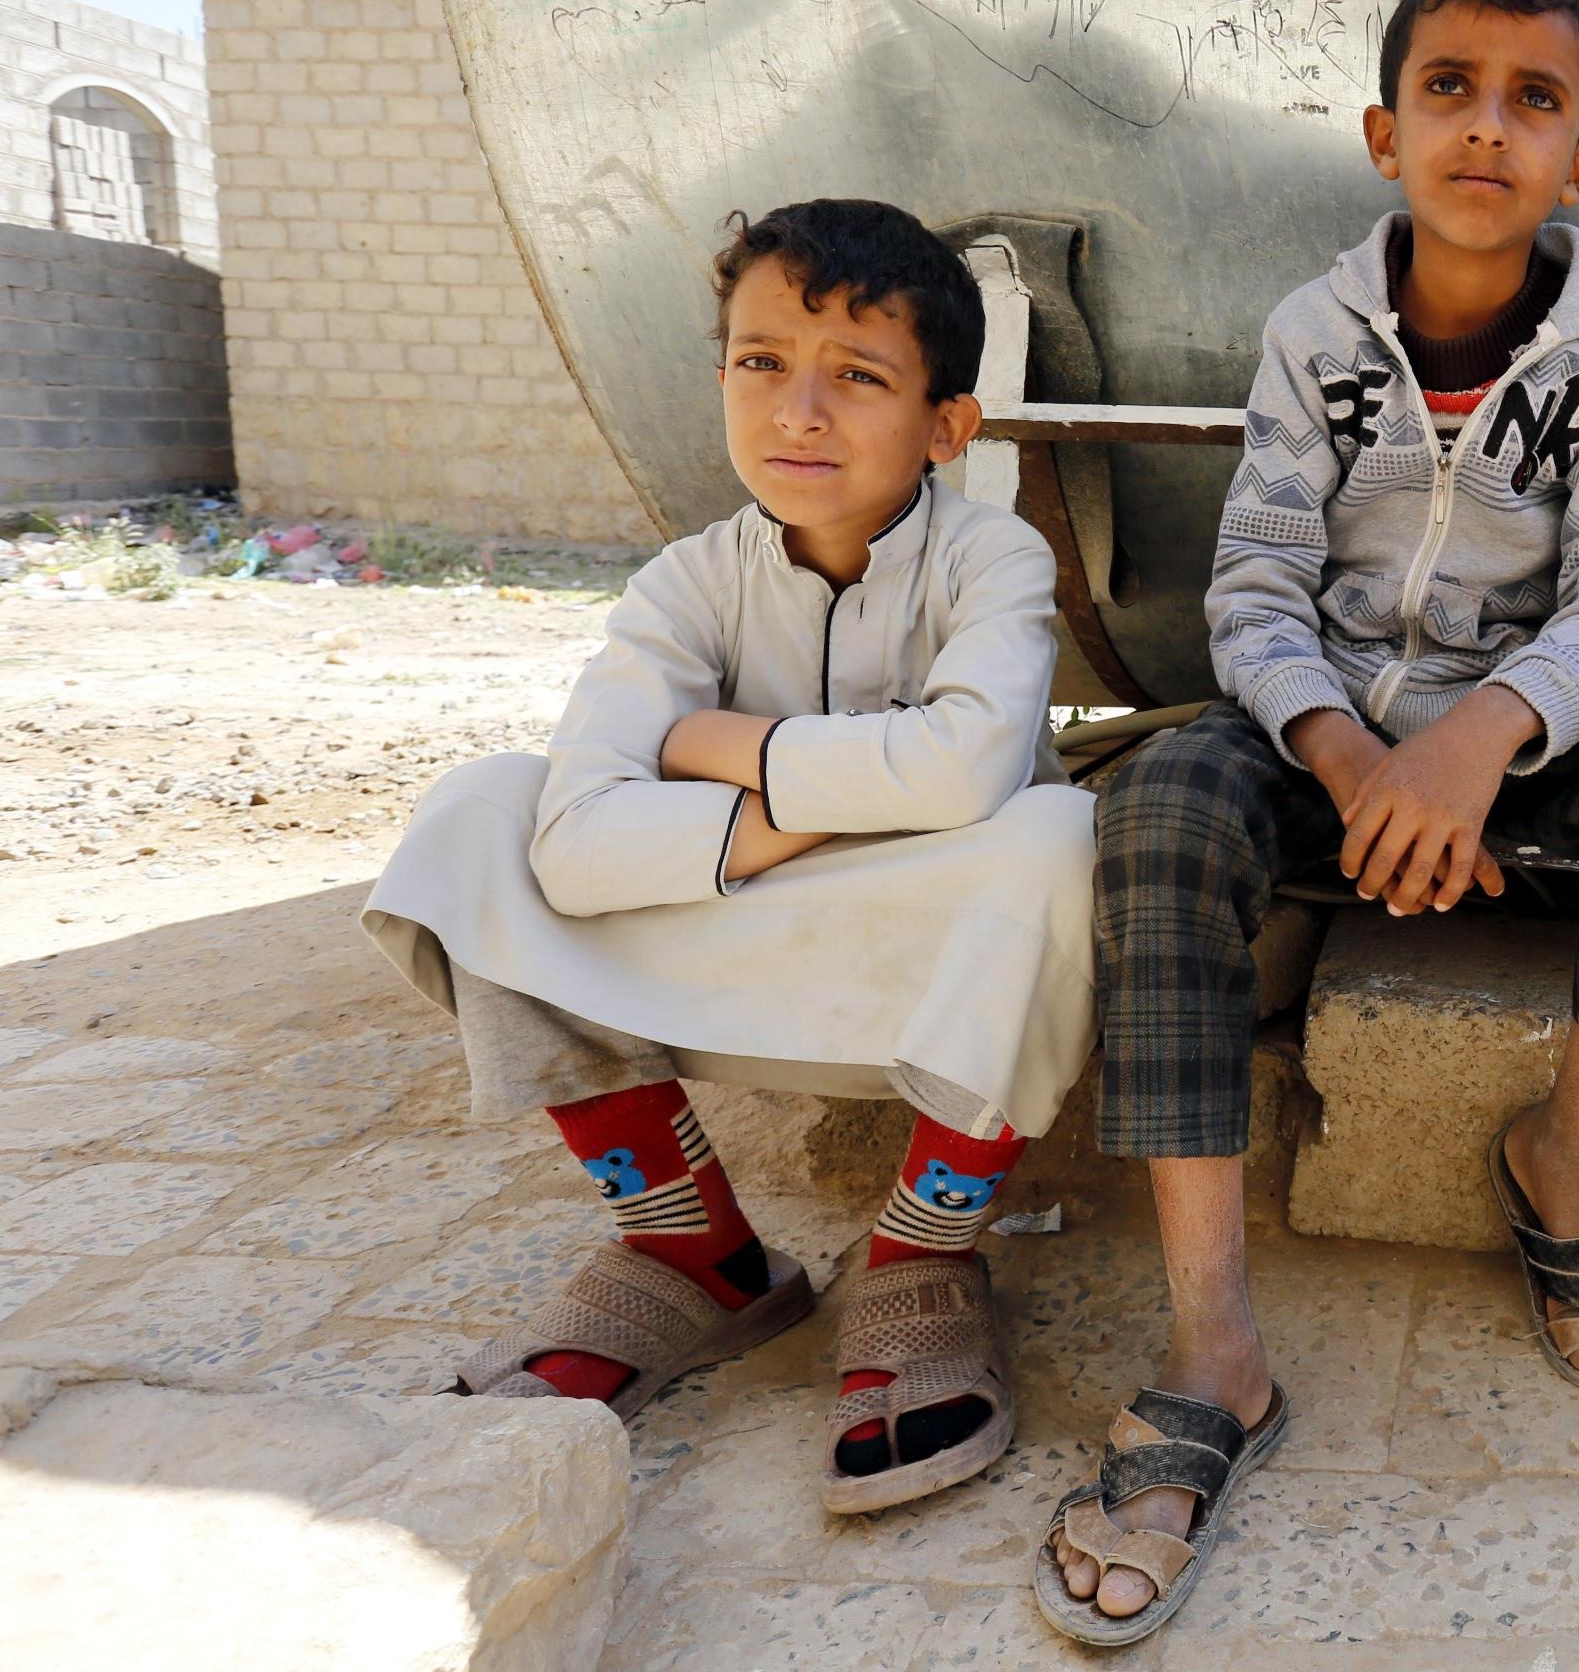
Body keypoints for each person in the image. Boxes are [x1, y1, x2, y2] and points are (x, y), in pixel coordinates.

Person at [1036, 0, 1579, 1644]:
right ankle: (1214, 1336)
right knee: (1155, 812)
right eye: (1448, 87)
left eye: (1534, 100)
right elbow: (1254, 586)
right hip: (1328, 741)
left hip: (1518, 738)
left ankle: (1559, 1154)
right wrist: (1358, 758)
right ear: (1384, 131)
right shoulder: (1314, 336)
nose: (1486, 129)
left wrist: (1479, 736)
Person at [363, 199, 1094, 1515]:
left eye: (858, 377)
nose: (797, 411)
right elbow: (576, 845)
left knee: (1055, 834)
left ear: (948, 426)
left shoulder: (991, 559)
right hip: (726, 924)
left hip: (920, 978)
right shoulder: (687, 584)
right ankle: (693, 1250)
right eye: (761, 362)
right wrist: (824, 801)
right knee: (478, 815)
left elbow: (970, 774)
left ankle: (918, 1251)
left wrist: (720, 743)